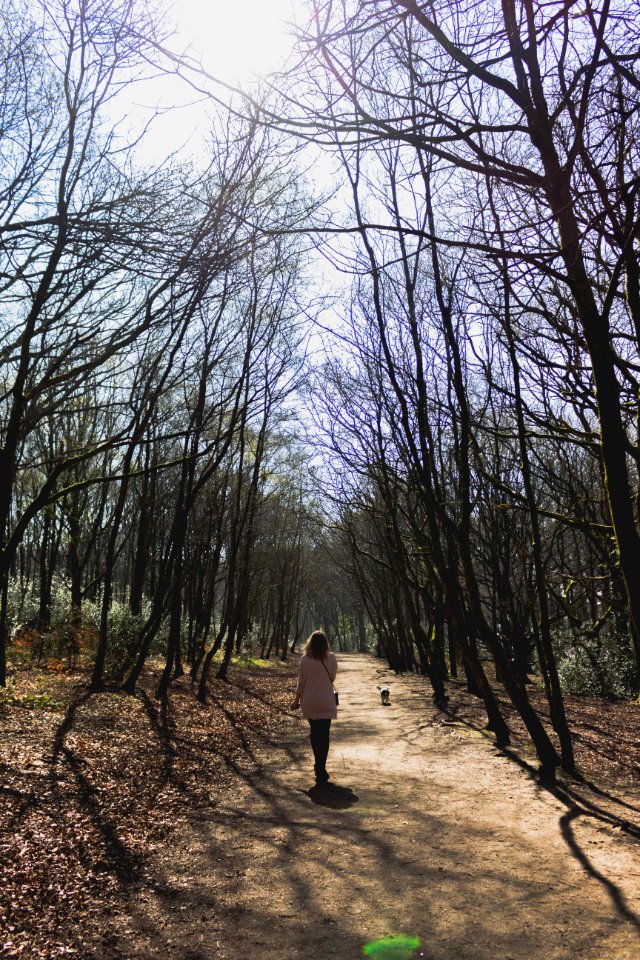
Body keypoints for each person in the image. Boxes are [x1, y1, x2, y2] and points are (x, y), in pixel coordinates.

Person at [290, 630, 338, 784]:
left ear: (310, 642)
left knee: (315, 733)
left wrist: (296, 700)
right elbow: (333, 677)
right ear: (325, 643)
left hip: (309, 701)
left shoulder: (304, 660)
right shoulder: (331, 658)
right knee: (324, 735)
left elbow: (301, 683)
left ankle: (318, 766)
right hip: (326, 702)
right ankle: (321, 767)